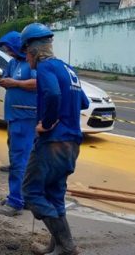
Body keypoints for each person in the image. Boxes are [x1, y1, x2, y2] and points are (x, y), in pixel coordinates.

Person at [20, 23, 89, 255]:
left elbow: (52, 93)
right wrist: (65, 114)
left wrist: (47, 123)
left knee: (31, 191)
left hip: (53, 142)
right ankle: (57, 246)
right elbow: (84, 102)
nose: (27, 61)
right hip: (72, 142)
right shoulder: (67, 69)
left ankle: (67, 246)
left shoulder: (46, 67)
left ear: (33, 52)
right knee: (54, 193)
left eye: (26, 55)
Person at [0, 31, 37, 217]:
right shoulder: (14, 63)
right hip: (14, 117)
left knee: (20, 160)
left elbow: (38, 83)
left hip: (26, 117)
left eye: (9, 48)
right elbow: (8, 78)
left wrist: (16, 83)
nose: (8, 52)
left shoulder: (32, 63)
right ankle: (22, 197)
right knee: (18, 158)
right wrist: (2, 80)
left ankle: (15, 202)